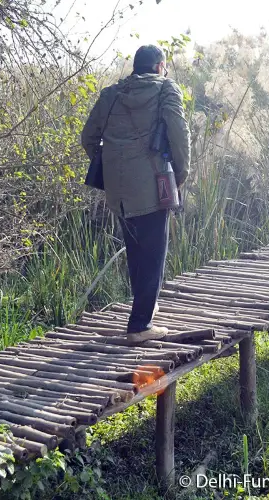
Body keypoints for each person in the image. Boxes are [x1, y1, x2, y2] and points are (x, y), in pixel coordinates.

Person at [81, 45, 191, 343]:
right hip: (154, 184)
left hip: (119, 189)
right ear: (159, 67)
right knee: (154, 253)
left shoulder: (111, 94)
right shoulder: (167, 89)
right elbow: (180, 135)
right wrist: (180, 174)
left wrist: (111, 164)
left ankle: (145, 310)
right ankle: (140, 325)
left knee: (135, 250)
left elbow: (88, 137)